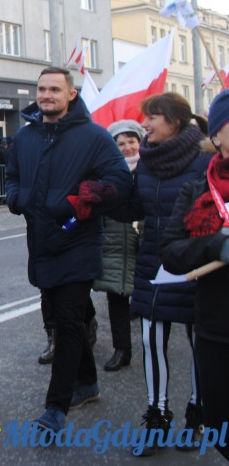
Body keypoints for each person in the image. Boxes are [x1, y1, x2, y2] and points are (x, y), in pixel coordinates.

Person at [5, 67, 131, 433]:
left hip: (78, 240)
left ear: (71, 94)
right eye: (42, 89)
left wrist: (85, 198)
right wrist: (18, 199)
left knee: (67, 322)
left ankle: (55, 408)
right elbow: (12, 177)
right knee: (68, 316)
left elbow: (120, 180)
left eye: (55, 89)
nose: (46, 95)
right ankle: (87, 383)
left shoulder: (93, 136)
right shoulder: (25, 136)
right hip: (41, 242)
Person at [113, 92, 210, 454]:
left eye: (152, 118)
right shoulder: (147, 160)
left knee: (198, 342)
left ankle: (198, 415)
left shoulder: (205, 158)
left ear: (174, 121)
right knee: (151, 340)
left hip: (196, 262)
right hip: (154, 261)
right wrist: (109, 197)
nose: (145, 125)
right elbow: (136, 208)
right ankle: (157, 417)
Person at [160, 88, 229, 461]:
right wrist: (216, 243)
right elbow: (171, 253)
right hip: (218, 329)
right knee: (221, 426)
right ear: (216, 135)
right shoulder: (196, 191)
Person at [96, 120, 144, 372]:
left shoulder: (150, 168)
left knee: (150, 299)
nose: (127, 147)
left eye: (131, 141)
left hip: (143, 241)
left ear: (139, 142)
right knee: (116, 296)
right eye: (121, 143)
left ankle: (155, 345)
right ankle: (122, 349)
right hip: (114, 241)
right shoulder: (106, 172)